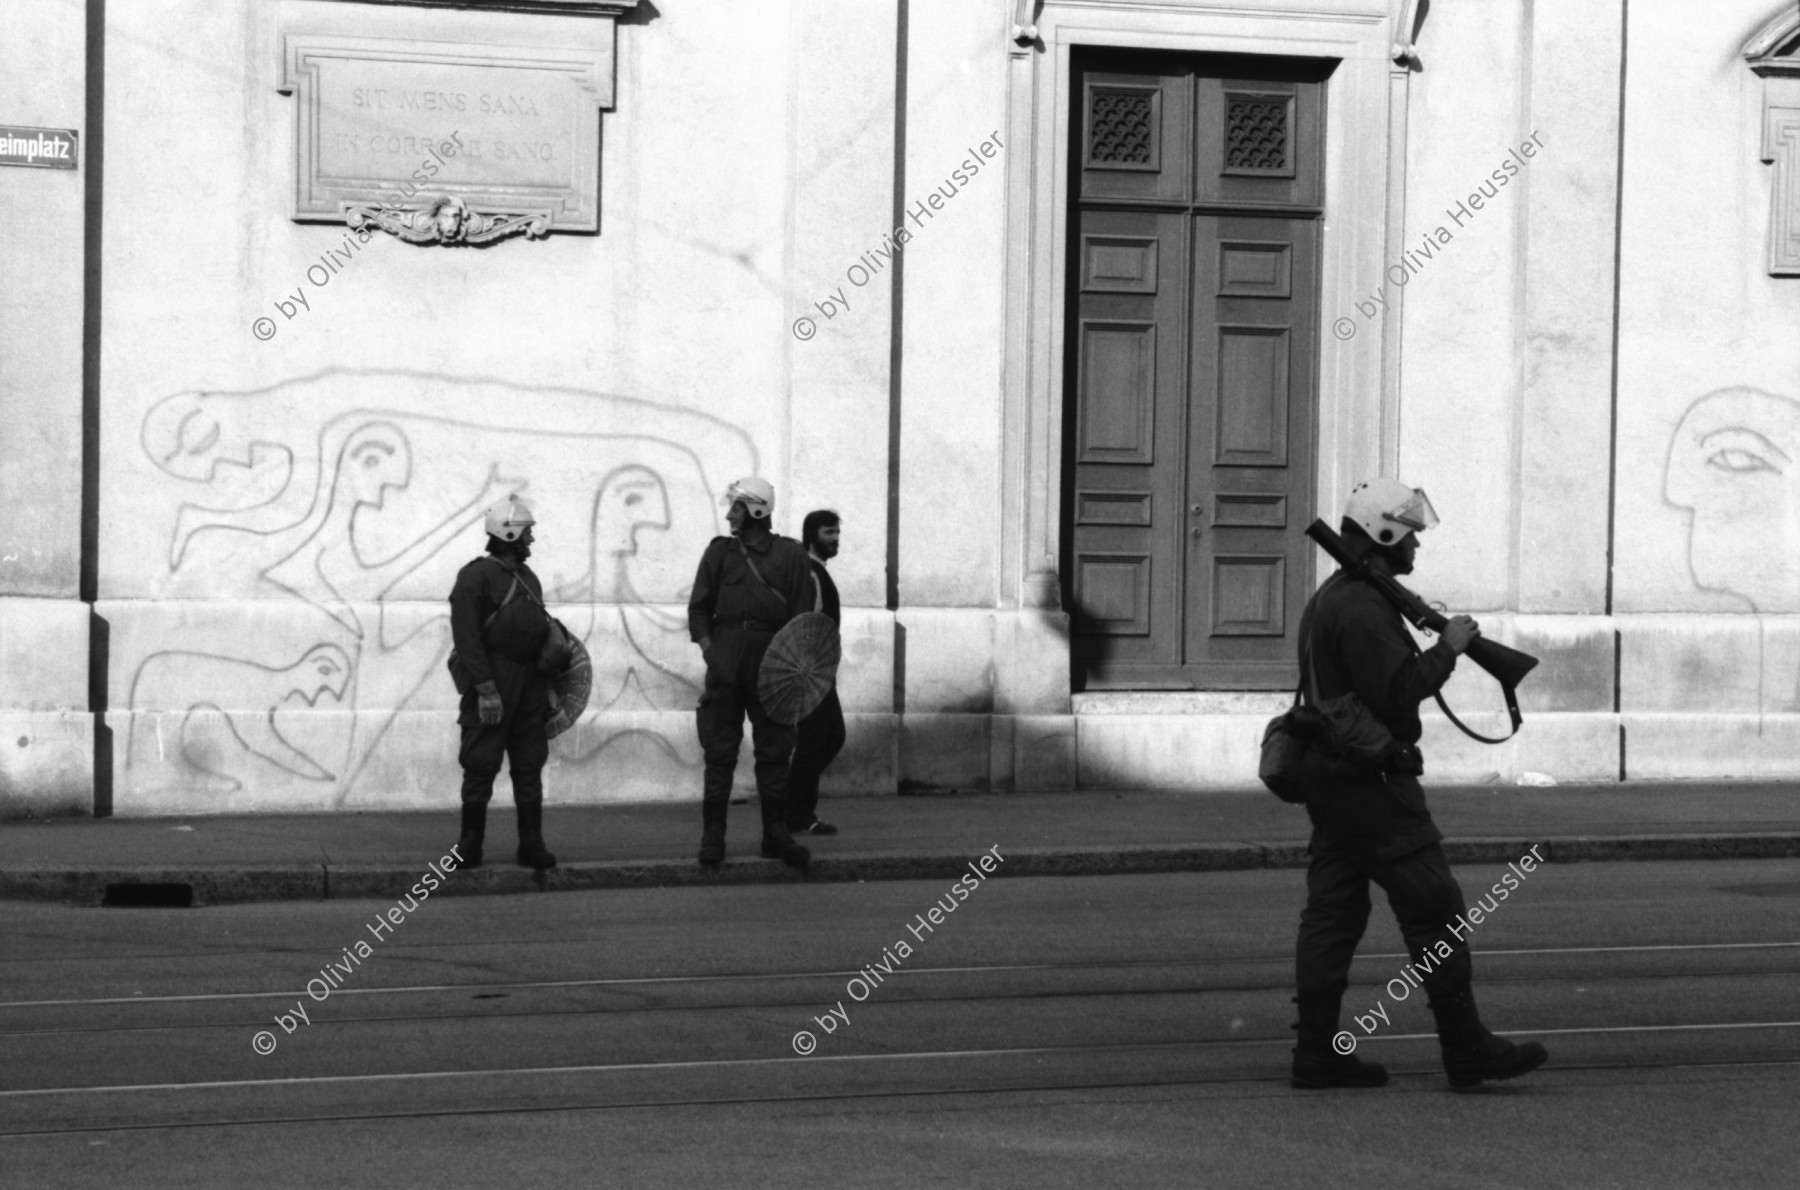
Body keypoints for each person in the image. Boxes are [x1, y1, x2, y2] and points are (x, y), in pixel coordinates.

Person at [1290, 478, 1548, 1090]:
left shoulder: (1343, 596)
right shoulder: (1361, 605)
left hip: (1336, 779)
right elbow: (1395, 693)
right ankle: (1466, 1049)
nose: (1417, 547)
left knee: (1332, 916)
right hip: (1374, 783)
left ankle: (1316, 1054)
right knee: (1436, 910)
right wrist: (1450, 649)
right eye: (1410, 537)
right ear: (1384, 535)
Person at [688, 478, 815, 868]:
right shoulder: (718, 554)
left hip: (772, 663)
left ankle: (775, 834)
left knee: (775, 751)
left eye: (737, 509)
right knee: (720, 752)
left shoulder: (791, 556)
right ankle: (713, 836)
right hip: (725, 662)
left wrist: (790, 667)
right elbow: (698, 611)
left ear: (758, 511)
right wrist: (713, 655)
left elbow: (803, 617)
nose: (729, 515)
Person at [448, 496, 558, 870]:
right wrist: (486, 688)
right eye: (527, 533)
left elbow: (540, 634)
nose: (531, 540)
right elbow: (467, 639)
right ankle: (468, 845)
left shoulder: (529, 579)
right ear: (508, 532)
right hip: (494, 679)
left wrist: (550, 684)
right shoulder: (474, 577)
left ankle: (531, 845)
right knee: (480, 762)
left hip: (531, 684)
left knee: (529, 762)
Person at [787, 509, 846, 836]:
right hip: (811, 673)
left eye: (837, 532)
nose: (836, 539)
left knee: (830, 736)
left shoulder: (817, 571)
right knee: (816, 741)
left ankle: (790, 803)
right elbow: (806, 621)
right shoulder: (811, 574)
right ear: (812, 537)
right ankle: (797, 812)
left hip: (820, 672)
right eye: (828, 533)